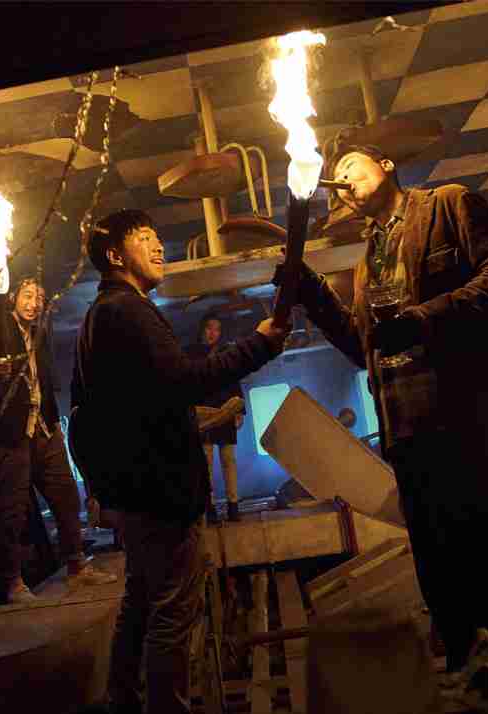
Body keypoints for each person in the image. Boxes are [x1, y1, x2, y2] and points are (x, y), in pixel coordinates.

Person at [273, 138, 488, 671]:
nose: (343, 180)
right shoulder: (368, 259)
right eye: (337, 177)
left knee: (481, 539)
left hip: (459, 408)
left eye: (352, 165)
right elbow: (364, 346)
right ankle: (466, 664)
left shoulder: (447, 205)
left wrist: (423, 318)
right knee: (434, 554)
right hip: (404, 423)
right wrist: (312, 293)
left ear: (387, 164)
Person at [72, 209, 287, 714]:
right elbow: (182, 383)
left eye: (157, 236)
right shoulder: (128, 311)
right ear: (115, 255)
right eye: (144, 238)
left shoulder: (102, 316)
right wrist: (258, 345)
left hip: (137, 492)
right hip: (161, 494)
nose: (158, 245)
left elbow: (136, 404)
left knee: (140, 604)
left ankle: (123, 702)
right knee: (171, 614)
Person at [0, 277, 116, 604]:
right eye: (28, 296)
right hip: (12, 433)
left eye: (39, 297)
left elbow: (42, 379)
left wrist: (53, 420)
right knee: (12, 510)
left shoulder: (39, 333)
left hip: (44, 428)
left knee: (66, 496)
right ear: (13, 298)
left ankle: (77, 566)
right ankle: (12, 582)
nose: (34, 303)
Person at [185, 316, 245, 523]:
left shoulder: (226, 352)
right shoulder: (190, 353)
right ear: (202, 329)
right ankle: (209, 508)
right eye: (209, 328)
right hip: (204, 412)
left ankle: (233, 506)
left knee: (229, 460)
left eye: (217, 329)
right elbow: (188, 381)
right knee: (207, 464)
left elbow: (234, 378)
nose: (213, 333)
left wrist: (239, 410)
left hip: (225, 409)